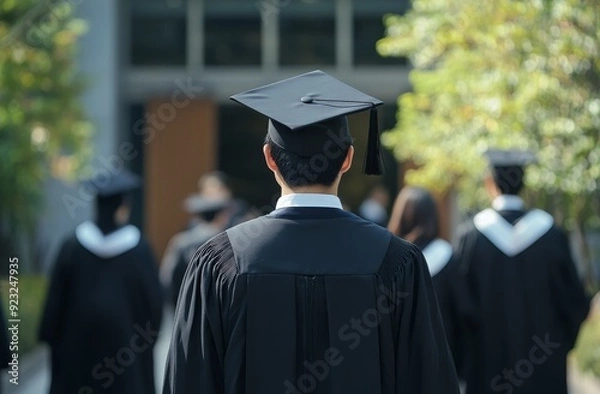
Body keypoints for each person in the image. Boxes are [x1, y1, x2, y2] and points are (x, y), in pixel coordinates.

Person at [163, 70, 459, 393]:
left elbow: (189, 381)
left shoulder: (222, 263)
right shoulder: (397, 262)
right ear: (348, 159)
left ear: (270, 158)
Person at [453, 149, 591, 394]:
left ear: (490, 182)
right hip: (544, 373)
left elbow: (459, 310)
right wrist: (559, 344)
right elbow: (575, 303)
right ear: (524, 183)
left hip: (487, 372)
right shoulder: (551, 236)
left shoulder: (472, 237)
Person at [39, 169, 163, 394]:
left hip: (76, 353)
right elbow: (153, 306)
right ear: (123, 207)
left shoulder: (73, 246)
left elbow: (55, 304)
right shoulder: (139, 250)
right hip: (126, 356)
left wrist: (50, 336)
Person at [387, 186, 463, 372]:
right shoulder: (447, 258)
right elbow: (463, 312)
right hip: (441, 362)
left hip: (397, 365)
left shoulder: (387, 257)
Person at [160, 195, 231, 306]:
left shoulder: (181, 241)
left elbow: (168, 279)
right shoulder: (227, 243)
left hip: (186, 303)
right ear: (221, 217)